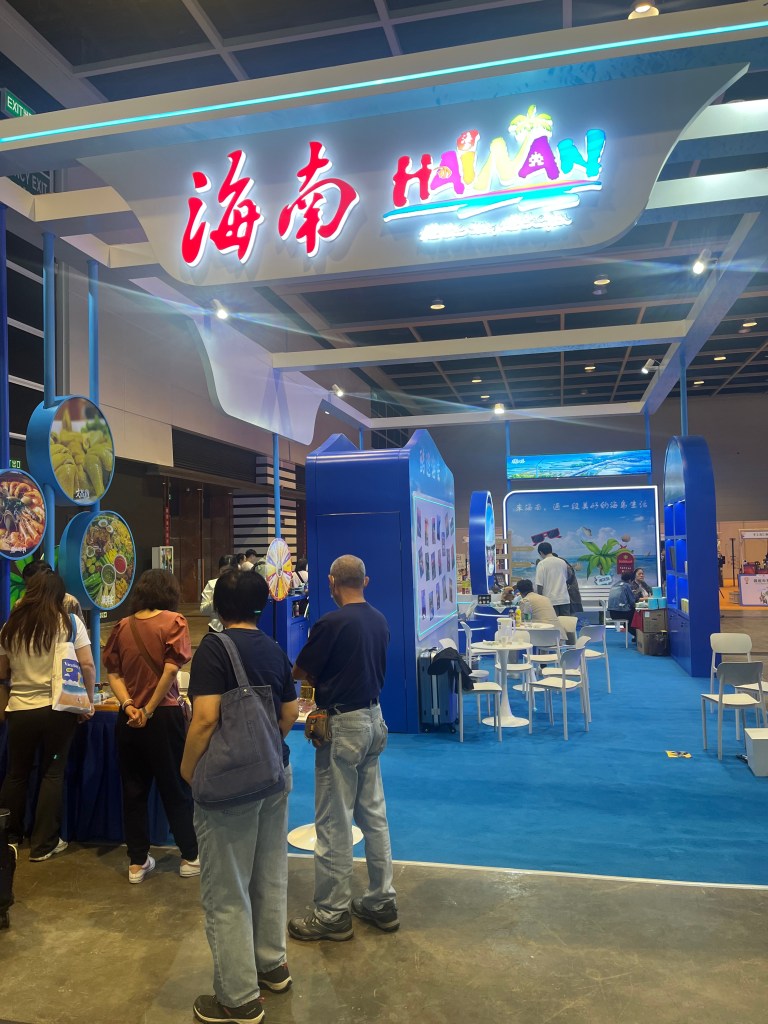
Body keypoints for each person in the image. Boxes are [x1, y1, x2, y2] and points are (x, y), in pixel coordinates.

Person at [181, 570, 298, 1024]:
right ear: (261, 606)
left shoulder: (215, 648)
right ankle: (272, 966)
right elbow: (289, 712)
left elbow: (205, 718)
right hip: (274, 775)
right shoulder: (272, 647)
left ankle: (237, 997)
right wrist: (265, 747)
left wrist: (188, 768)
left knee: (227, 890)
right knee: (269, 875)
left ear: (218, 606)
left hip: (229, 786)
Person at [288, 554, 398, 941]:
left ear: (332, 582)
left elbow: (300, 671)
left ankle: (333, 912)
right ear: (365, 581)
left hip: (343, 725)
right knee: (374, 815)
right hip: (374, 718)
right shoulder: (379, 620)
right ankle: (382, 900)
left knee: (334, 822)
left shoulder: (330, 623)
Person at [103, 569, 198, 883]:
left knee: (133, 791)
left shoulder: (122, 625)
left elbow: (113, 673)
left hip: (128, 720)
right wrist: (148, 708)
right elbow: (171, 671)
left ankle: (137, 862)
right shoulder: (174, 622)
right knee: (175, 787)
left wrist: (129, 706)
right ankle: (190, 856)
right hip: (164, 717)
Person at [0, 572, 96, 861]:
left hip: (20, 712)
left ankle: (9, 838)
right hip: (58, 713)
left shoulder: (10, 627)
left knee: (16, 773)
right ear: (59, 595)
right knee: (52, 772)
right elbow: (88, 666)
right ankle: (43, 845)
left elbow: (2, 673)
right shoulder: (70, 623)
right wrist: (86, 701)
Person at [200, 554, 237, 632]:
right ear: (219, 570)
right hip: (216, 628)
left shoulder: (241, 584)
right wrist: (217, 599)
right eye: (223, 571)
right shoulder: (212, 584)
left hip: (237, 627)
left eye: (230, 571)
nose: (227, 574)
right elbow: (203, 611)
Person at [534, 542, 570, 615]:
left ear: (541, 552)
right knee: (566, 621)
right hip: (564, 599)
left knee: (552, 621)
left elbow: (540, 585)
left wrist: (540, 600)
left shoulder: (541, 564)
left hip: (550, 600)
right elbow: (566, 579)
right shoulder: (562, 562)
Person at [607, 571, 637, 640]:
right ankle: (638, 635)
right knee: (636, 612)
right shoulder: (627, 586)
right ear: (630, 580)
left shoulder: (614, 585)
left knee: (630, 616)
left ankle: (634, 633)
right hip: (622, 613)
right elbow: (632, 602)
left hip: (612, 614)